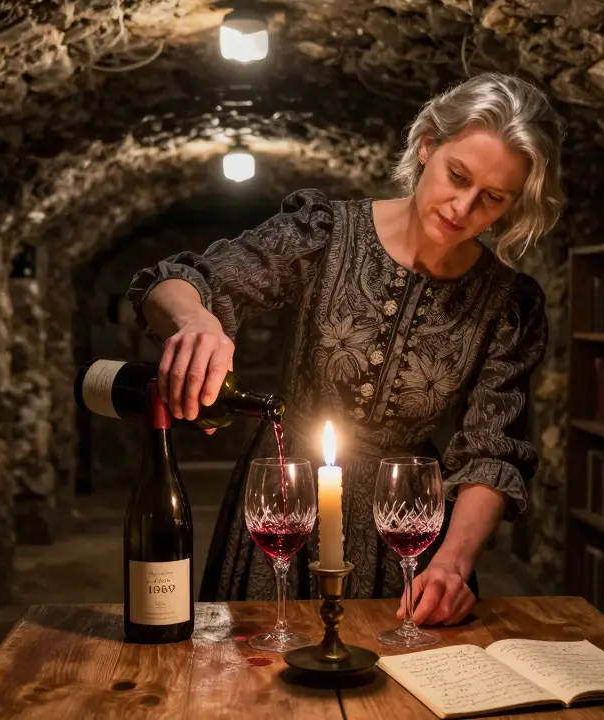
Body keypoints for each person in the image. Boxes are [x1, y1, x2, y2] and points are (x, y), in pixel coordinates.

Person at [125, 72, 563, 627]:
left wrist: (452, 563)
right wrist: (196, 321)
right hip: (285, 496)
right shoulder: (325, 232)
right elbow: (177, 281)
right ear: (428, 144)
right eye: (457, 176)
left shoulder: (509, 303)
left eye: (492, 199)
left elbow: (493, 451)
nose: (463, 207)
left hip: (407, 524)